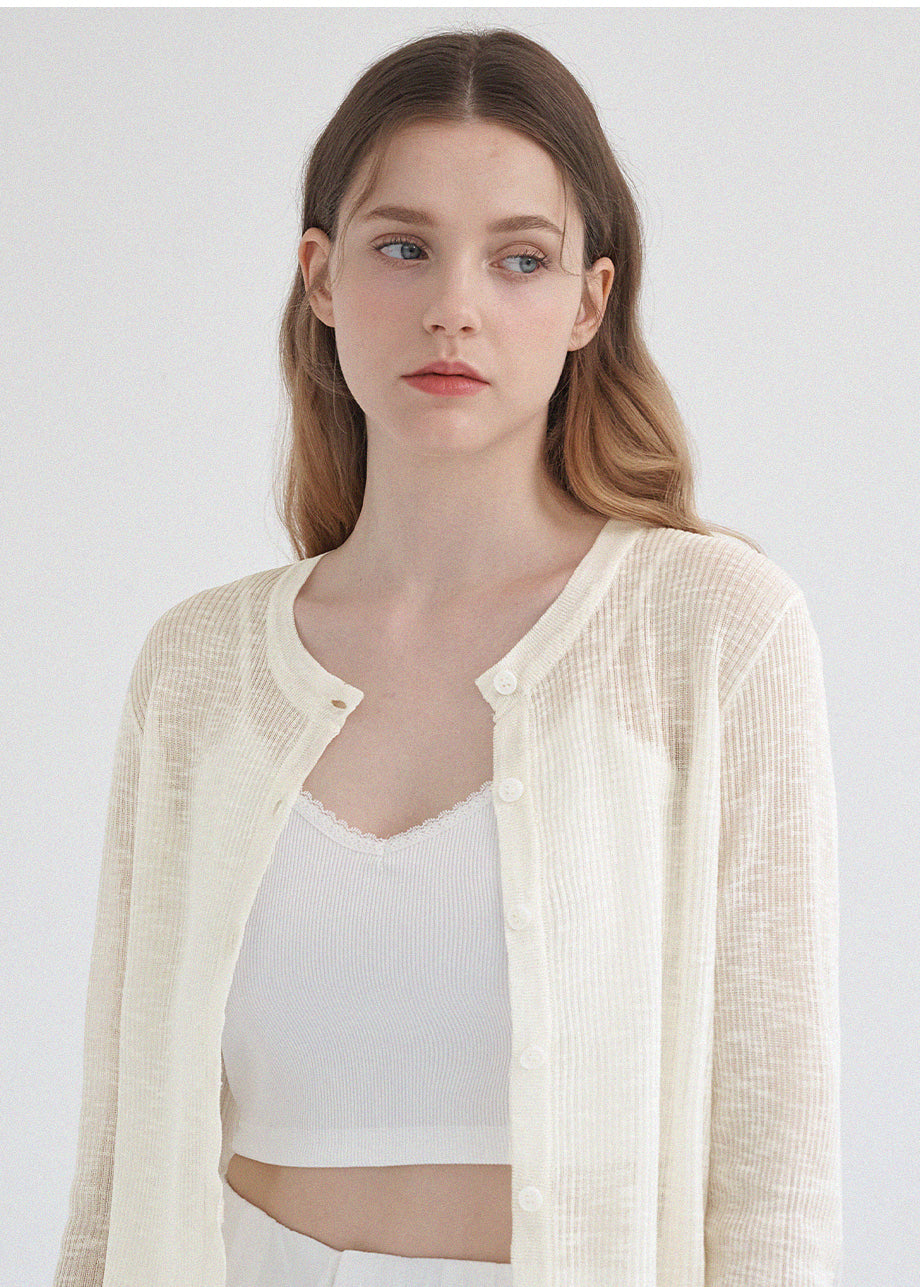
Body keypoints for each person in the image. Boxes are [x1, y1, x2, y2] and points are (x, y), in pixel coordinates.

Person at [52, 26, 842, 1287]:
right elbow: (114, 1160)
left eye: (518, 259)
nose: (452, 309)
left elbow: (772, 1166)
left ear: (588, 301)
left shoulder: (707, 630)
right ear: (320, 276)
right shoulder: (198, 670)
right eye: (402, 247)